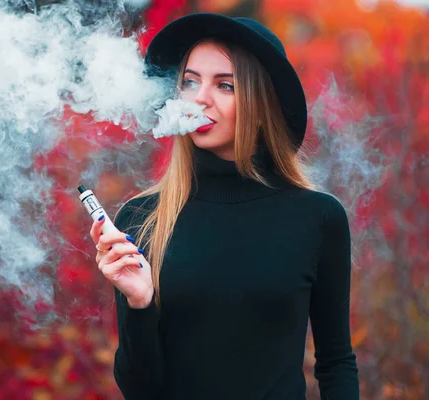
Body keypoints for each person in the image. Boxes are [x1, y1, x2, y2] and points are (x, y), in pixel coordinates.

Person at [88, 13, 360, 400]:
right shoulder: (142, 219)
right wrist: (139, 302)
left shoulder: (317, 218)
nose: (200, 98)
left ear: (261, 104)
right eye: (190, 82)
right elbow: (141, 389)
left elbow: (336, 362)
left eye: (226, 86)